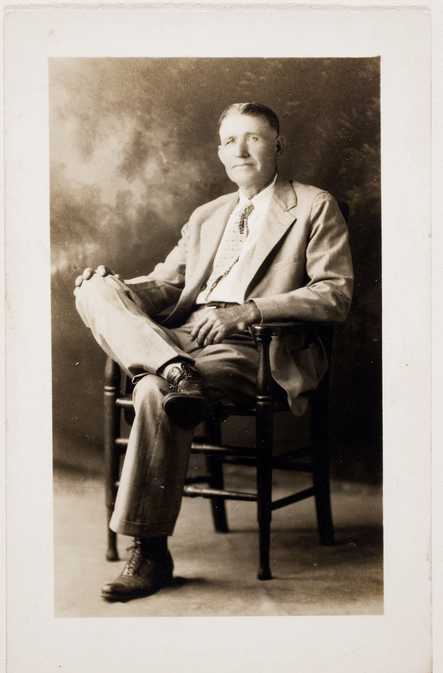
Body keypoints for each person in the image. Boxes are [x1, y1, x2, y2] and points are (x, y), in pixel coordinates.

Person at [74, 102, 353, 602]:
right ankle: (176, 370)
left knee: (154, 392)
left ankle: (149, 552)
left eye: (253, 138)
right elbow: (166, 284)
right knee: (94, 289)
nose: (239, 150)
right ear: (220, 152)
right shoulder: (207, 216)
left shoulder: (313, 205)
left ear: (278, 145)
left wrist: (248, 311)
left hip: (255, 345)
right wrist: (116, 289)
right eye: (229, 140)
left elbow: (334, 293)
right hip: (183, 339)